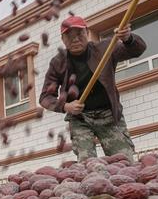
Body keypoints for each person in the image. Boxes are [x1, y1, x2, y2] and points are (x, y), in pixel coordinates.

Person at [39, 15, 146, 161]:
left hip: (109, 115)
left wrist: (128, 38)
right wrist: (66, 106)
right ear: (63, 39)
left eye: (79, 34)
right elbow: (45, 97)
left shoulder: (105, 49)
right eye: (69, 36)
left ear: (87, 33)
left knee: (124, 162)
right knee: (87, 164)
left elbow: (137, 50)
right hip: (80, 119)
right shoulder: (58, 63)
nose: (75, 39)